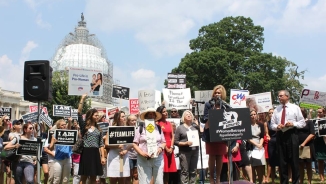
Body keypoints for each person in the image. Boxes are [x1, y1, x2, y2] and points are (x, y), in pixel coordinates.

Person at [270, 90, 305, 184]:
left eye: (281, 96)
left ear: (287, 96)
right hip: (280, 135)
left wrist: (293, 124)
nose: (279, 97)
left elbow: (302, 123)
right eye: (278, 96)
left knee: (294, 160)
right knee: (282, 162)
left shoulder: (295, 108)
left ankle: (295, 181)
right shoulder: (276, 109)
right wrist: (277, 126)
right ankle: (284, 182)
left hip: (292, 135)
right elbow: (272, 125)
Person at [78, 94, 106, 184]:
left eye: (98, 115)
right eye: (96, 115)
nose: (97, 117)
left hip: (95, 153)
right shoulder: (84, 126)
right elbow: (79, 113)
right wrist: (82, 99)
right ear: (91, 115)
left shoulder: (99, 129)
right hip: (86, 152)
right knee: (84, 177)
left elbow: (101, 143)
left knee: (94, 178)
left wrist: (102, 157)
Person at [133, 108, 166, 184]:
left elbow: (163, 142)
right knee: (144, 182)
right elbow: (134, 144)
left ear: (155, 117)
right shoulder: (140, 128)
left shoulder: (159, 128)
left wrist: (161, 148)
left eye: (153, 114)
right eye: (149, 114)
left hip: (158, 159)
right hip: (144, 159)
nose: (151, 116)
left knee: (159, 181)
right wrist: (142, 153)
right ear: (145, 117)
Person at [202, 85, 227, 184]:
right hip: (210, 133)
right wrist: (214, 114)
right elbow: (204, 118)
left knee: (220, 156)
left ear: (222, 94)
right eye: (216, 93)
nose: (217, 94)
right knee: (212, 156)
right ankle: (212, 178)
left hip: (221, 134)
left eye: (219, 93)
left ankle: (218, 179)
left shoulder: (225, 105)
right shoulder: (208, 104)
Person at [106, 111, 131, 184]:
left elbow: (132, 143)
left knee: (122, 178)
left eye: (124, 116)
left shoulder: (128, 129)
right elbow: (106, 143)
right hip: (113, 156)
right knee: (113, 178)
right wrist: (117, 145)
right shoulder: (111, 129)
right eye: (122, 116)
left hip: (124, 155)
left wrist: (126, 150)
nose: (124, 118)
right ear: (118, 118)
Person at [174, 110, 199, 184]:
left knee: (193, 171)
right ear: (183, 117)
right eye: (187, 114)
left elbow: (201, 134)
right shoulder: (180, 128)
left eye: (190, 114)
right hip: (184, 152)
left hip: (195, 151)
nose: (189, 115)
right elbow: (175, 141)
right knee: (185, 171)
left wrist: (198, 125)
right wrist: (185, 143)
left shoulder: (195, 127)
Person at [156, 106, 177, 184]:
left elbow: (172, 136)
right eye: (164, 112)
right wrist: (166, 148)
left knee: (168, 171)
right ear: (160, 113)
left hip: (170, 148)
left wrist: (171, 147)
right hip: (162, 149)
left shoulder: (169, 123)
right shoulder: (157, 123)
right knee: (162, 171)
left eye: (166, 111)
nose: (166, 113)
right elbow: (159, 138)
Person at [47, 119, 72, 183]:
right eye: (62, 125)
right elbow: (51, 149)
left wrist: (69, 121)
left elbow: (69, 128)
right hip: (58, 160)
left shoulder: (69, 133)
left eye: (65, 124)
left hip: (67, 159)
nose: (64, 126)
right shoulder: (55, 135)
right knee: (57, 179)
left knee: (66, 179)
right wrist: (53, 142)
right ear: (59, 126)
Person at [247, 109, 266, 184]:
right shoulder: (247, 125)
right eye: (251, 115)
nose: (253, 116)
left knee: (260, 166)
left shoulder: (261, 125)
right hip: (250, 147)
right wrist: (256, 144)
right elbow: (247, 138)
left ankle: (261, 181)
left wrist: (260, 144)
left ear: (256, 115)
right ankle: (253, 182)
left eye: (254, 114)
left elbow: (262, 136)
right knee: (252, 167)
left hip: (259, 148)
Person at [297, 108, 315, 184]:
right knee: (300, 165)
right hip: (298, 146)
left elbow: (312, 134)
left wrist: (304, 143)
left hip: (307, 146)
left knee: (308, 164)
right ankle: (301, 181)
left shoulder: (309, 122)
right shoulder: (297, 123)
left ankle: (309, 181)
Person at [126, 115, 139, 184]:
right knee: (128, 175)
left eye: (135, 120)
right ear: (128, 121)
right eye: (132, 120)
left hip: (138, 156)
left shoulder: (139, 129)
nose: (134, 122)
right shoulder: (125, 130)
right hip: (128, 156)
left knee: (136, 175)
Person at [267, 108, 278, 184]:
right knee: (272, 162)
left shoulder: (278, 122)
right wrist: (268, 136)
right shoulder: (267, 123)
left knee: (281, 162)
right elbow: (267, 133)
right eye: (270, 113)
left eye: (272, 113)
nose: (271, 114)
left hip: (279, 141)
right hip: (271, 142)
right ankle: (272, 180)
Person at [314, 107, 326, 182]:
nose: (319, 114)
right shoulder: (315, 120)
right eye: (318, 112)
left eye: (320, 112)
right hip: (318, 141)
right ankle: (321, 177)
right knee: (320, 160)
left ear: (324, 113)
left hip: (325, 140)